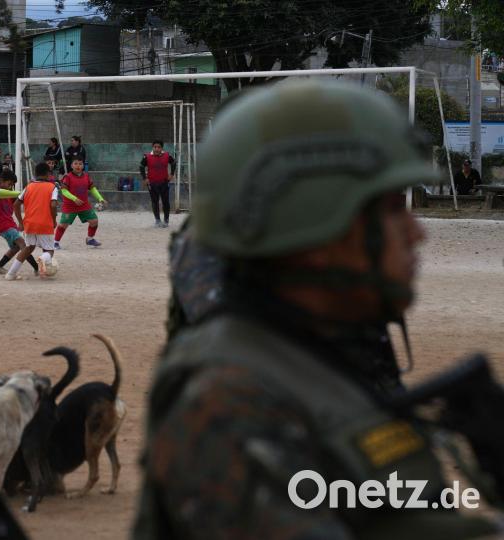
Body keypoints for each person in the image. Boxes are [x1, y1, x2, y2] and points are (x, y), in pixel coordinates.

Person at [133, 80, 504, 539]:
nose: (416, 233)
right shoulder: (230, 400)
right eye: (391, 210)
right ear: (314, 226)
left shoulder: (328, 349)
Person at [5, 162, 58, 280]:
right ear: (48, 174)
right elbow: (53, 205)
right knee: (49, 250)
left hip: (29, 223)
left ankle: (10, 274)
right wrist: (54, 220)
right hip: (45, 223)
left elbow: (16, 204)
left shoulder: (28, 187)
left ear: (35, 173)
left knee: (28, 248)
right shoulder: (52, 187)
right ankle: (43, 259)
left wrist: (20, 221)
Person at [0, 169, 39, 275]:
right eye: (9, 184)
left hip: (9, 225)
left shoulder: (9, 195)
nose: (10, 187)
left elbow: (18, 205)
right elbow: (1, 193)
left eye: (12, 185)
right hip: (2, 225)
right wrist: (25, 192)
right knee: (23, 245)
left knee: (15, 247)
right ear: (1, 180)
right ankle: (37, 268)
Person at [54, 157, 106, 249]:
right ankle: (55, 242)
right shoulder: (67, 177)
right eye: (76, 163)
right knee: (63, 225)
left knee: (94, 221)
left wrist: (100, 198)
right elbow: (64, 191)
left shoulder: (86, 176)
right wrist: (74, 199)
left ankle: (90, 239)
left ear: (83, 166)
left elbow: (92, 189)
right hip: (69, 206)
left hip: (84, 205)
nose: (78, 166)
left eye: (80, 164)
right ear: (71, 165)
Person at [140, 140, 175, 228]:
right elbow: (141, 166)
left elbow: (173, 163)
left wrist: (171, 174)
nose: (156, 149)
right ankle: (157, 220)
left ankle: (166, 221)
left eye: (158, 147)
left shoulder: (167, 155)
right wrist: (145, 178)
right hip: (152, 183)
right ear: (153, 147)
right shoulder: (147, 156)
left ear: (161, 148)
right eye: (155, 147)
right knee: (155, 202)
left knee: (165, 202)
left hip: (164, 182)